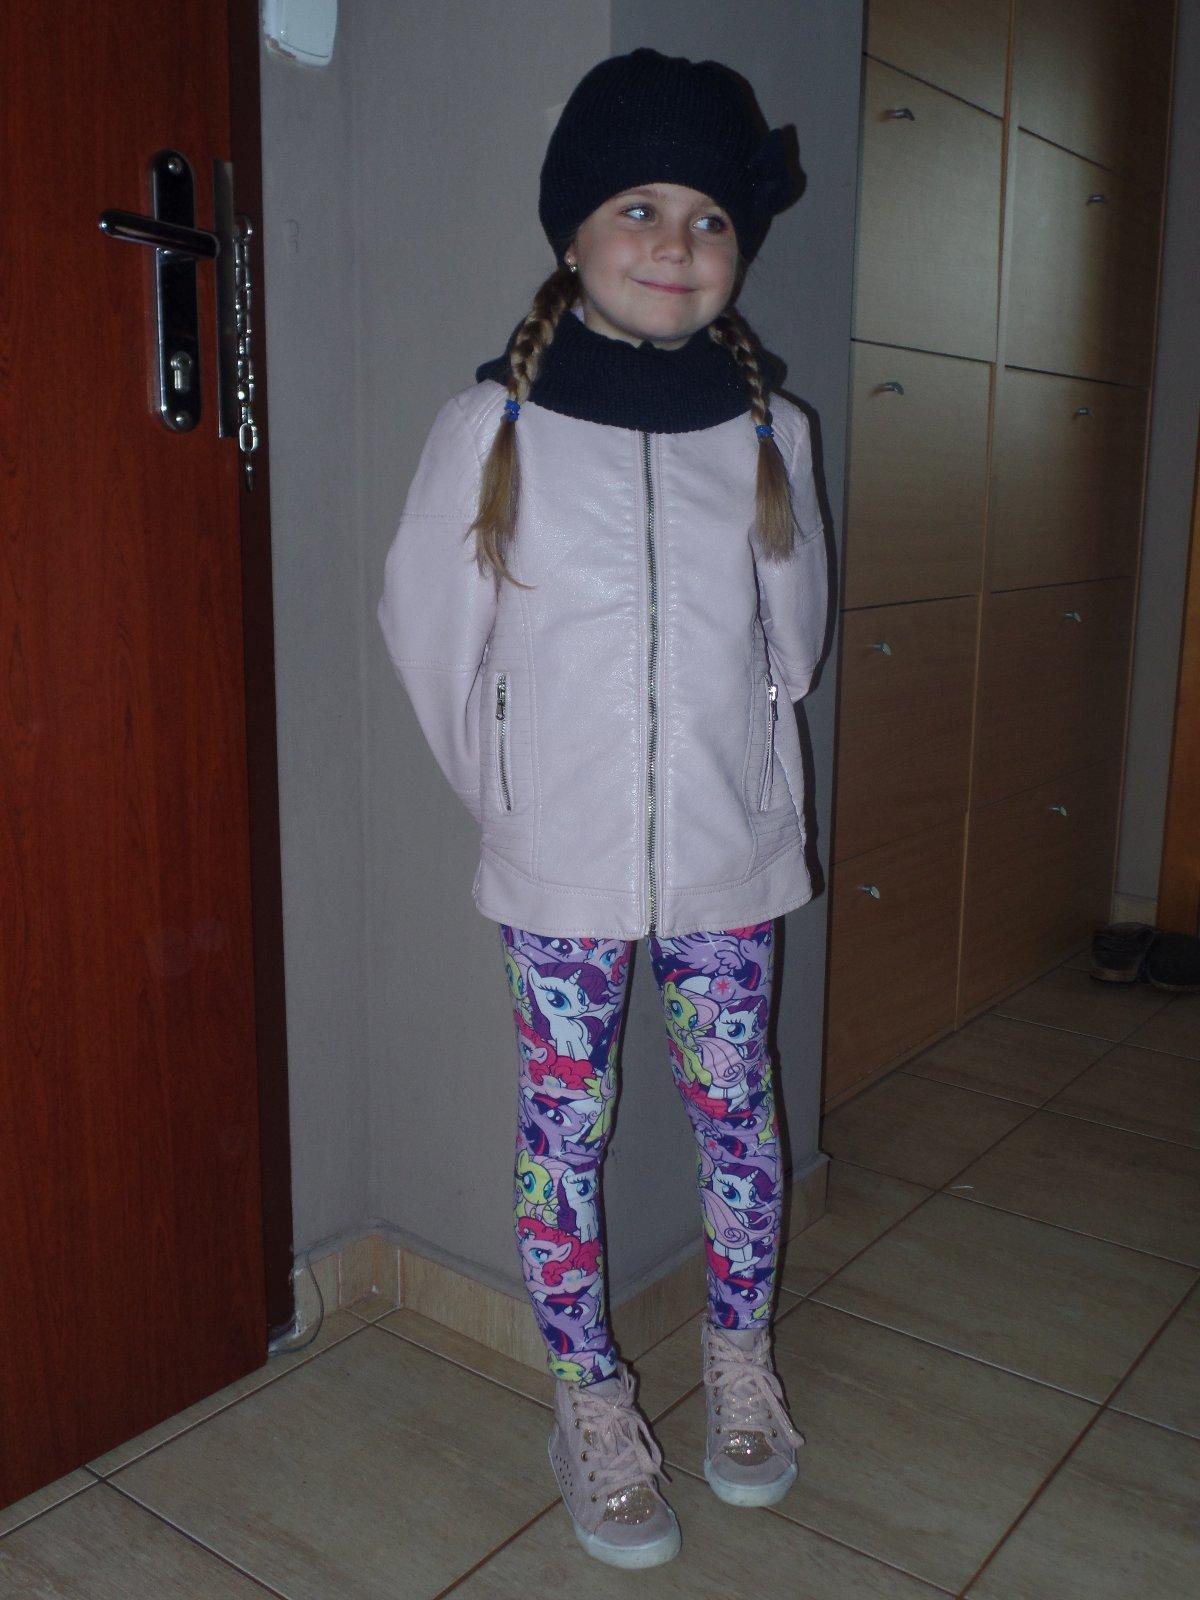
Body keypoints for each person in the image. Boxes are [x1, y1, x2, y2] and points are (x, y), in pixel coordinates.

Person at [377, 45, 828, 1569]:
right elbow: (428, 637)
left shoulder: (767, 434)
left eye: (710, 218)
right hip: (558, 867)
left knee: (737, 1119)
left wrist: (739, 779)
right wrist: (515, 795)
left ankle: (740, 1365)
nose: (675, 243)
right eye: (640, 206)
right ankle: (588, 1401)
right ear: (573, 231)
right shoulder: (493, 427)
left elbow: (793, 645)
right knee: (561, 1138)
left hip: (731, 860)